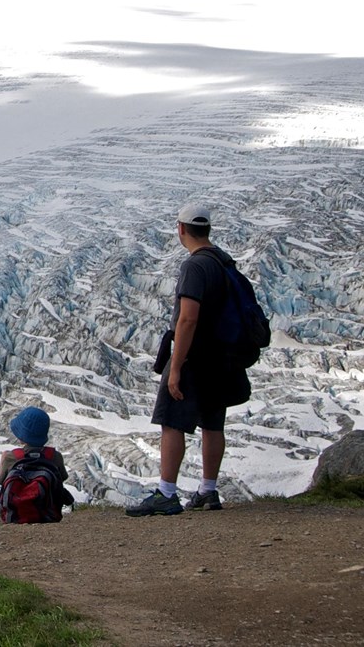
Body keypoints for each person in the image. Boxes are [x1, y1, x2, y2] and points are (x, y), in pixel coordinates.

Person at [127, 203, 235, 516]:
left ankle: (166, 492)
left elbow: (187, 319)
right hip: (222, 357)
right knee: (213, 422)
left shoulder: (195, 266)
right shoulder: (225, 262)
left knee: (171, 421)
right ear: (208, 229)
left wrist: (176, 366)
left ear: (181, 229)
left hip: (194, 357)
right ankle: (208, 490)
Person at [0, 406, 74, 522]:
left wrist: (3, 460)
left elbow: (0, 481)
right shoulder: (55, 456)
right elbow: (61, 479)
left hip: (15, 517)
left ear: (21, 436)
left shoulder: (11, 457)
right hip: (49, 516)